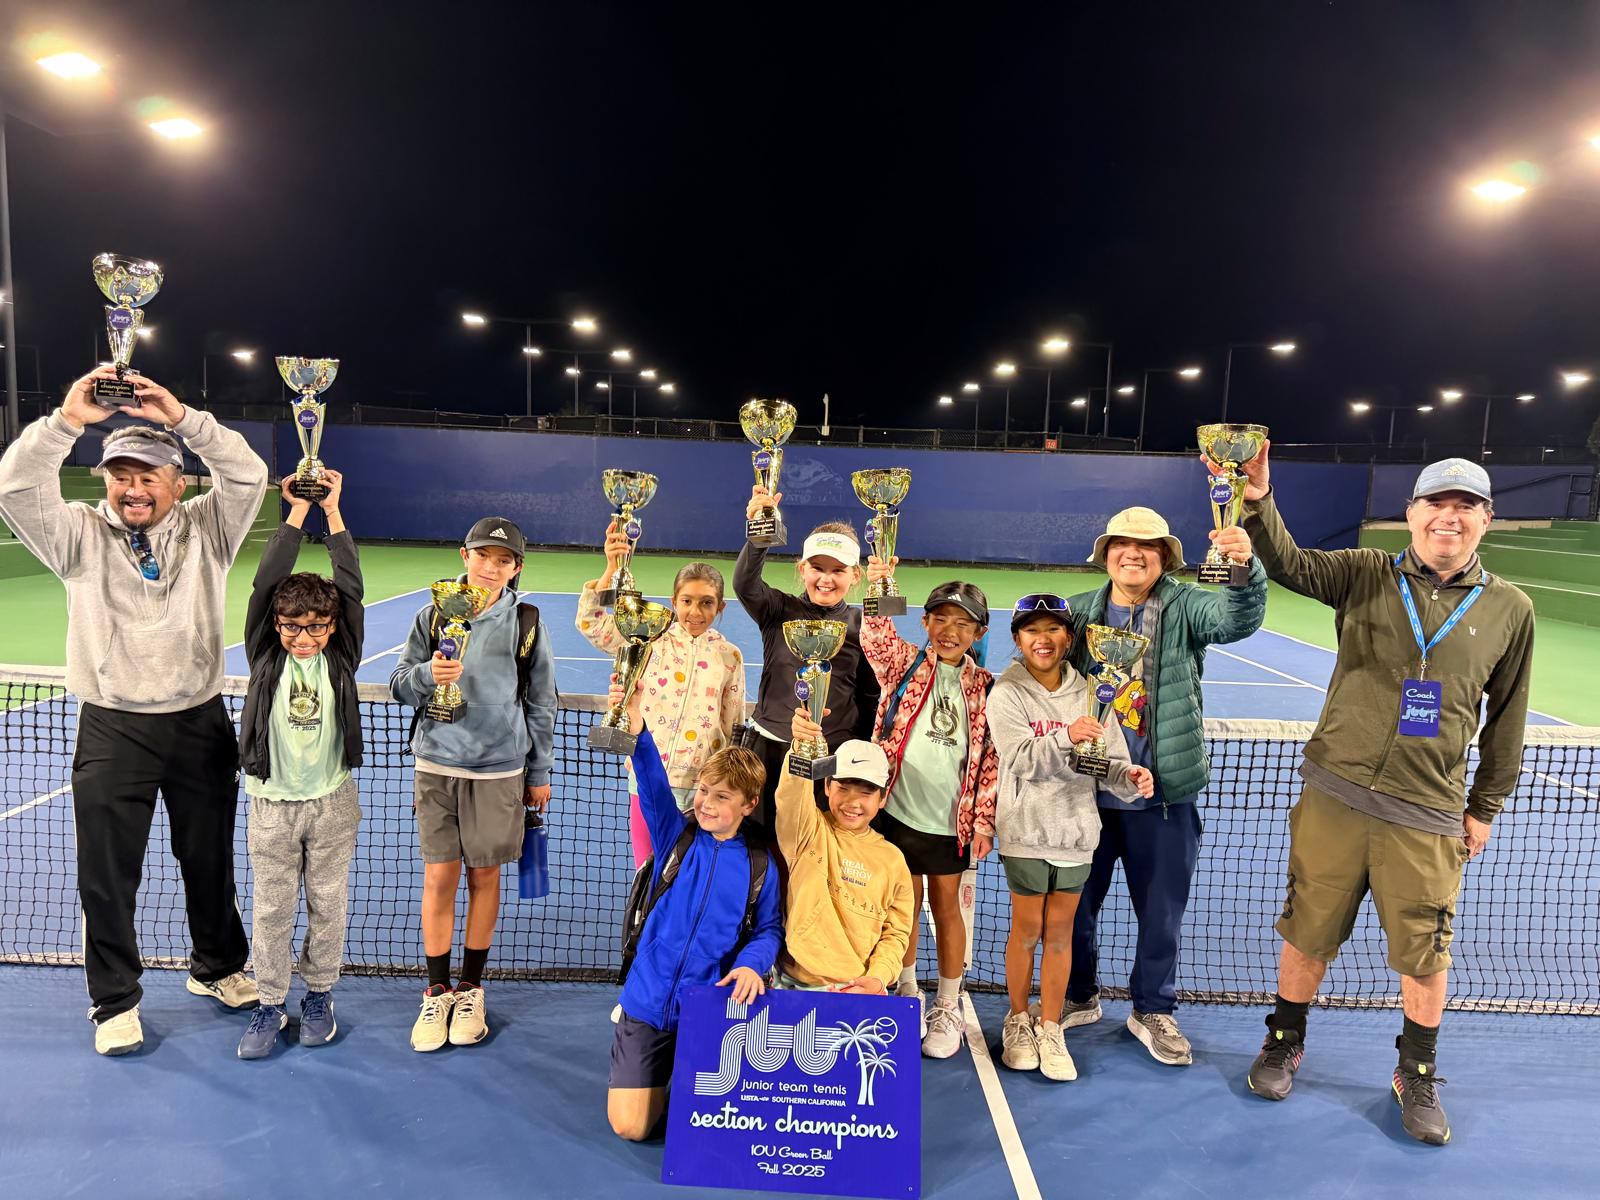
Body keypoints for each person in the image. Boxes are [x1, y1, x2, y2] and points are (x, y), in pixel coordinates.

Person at [1235, 450, 1533, 1147]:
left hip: (1427, 813)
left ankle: (1416, 1072)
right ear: (1412, 514)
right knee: (1308, 930)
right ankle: (1283, 1041)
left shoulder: (1510, 609)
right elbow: (1289, 563)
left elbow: (1508, 717)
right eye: (1437, 504)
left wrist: (1484, 806)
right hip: (1335, 794)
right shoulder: (1366, 572)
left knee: (1425, 953)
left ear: (1487, 520)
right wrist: (1258, 497)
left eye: (1465, 507)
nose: (1449, 517)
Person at [0, 366, 268, 1055]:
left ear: (179, 483)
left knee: (209, 859)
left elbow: (247, 475)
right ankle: (115, 1000)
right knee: (107, 873)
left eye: (149, 476)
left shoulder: (210, 527)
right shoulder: (77, 535)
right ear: (105, 483)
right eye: (121, 476)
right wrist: (67, 421)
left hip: (198, 721)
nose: (134, 488)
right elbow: (16, 487)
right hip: (113, 725)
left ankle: (219, 968)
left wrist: (184, 419)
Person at [1062, 507, 1266, 1067]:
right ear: (1106, 555)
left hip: (1163, 794)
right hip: (1086, 794)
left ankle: (1152, 1008)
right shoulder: (1078, 612)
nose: (1133, 553)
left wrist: (1244, 568)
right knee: (1075, 906)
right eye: (1122, 544)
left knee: (1161, 913)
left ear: (1165, 558)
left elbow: (1235, 618)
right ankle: (1078, 993)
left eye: (1147, 546)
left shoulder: (1186, 606)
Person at [390, 517, 556, 1052]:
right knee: (440, 878)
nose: (491, 567)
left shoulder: (526, 622)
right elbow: (400, 684)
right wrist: (427, 677)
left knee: (485, 878)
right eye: (483, 555)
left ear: (516, 568)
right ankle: (436, 991)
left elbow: (541, 702)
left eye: (503, 560)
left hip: (499, 770)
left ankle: (470, 989)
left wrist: (539, 772)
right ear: (465, 556)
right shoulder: (431, 614)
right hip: (437, 766)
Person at [985, 595, 1154, 1081]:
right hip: (1026, 830)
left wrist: (1129, 778)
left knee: (1061, 935)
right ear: (1018, 639)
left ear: (1070, 638)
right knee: (1026, 931)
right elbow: (1020, 759)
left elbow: (1108, 762)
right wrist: (1067, 736)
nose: (1043, 639)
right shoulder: (1007, 693)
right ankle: (1019, 1020)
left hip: (1076, 833)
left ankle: (1051, 1026)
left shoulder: (1094, 692)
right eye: (1031, 630)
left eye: (1053, 629)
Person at [607, 682, 781, 1141]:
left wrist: (751, 965)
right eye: (704, 790)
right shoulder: (675, 836)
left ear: (748, 804)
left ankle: (678, 1080)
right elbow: (652, 782)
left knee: (706, 1129)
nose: (705, 802)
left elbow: (768, 929)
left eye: (722, 796)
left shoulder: (760, 865)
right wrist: (638, 725)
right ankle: (650, 1070)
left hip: (707, 1009)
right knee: (631, 1127)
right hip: (647, 1000)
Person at [234, 472, 364, 1059]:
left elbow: (350, 586)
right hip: (271, 804)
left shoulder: (342, 656)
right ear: (276, 625)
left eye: (315, 626)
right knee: (272, 910)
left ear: (332, 627)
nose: (303, 636)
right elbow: (266, 584)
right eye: (292, 626)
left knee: (328, 905)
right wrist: (294, 515)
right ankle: (269, 1001)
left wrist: (332, 514)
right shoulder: (265, 654)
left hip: (333, 802)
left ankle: (319, 994)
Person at [860, 569, 998, 1057]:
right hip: (894, 813)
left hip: (948, 823)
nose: (949, 631)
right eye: (940, 619)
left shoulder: (987, 688)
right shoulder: (902, 664)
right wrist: (879, 585)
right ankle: (908, 991)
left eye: (963, 623)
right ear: (924, 622)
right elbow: (875, 635)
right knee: (904, 907)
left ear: (979, 633)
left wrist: (984, 821)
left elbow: (991, 760)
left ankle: (947, 1002)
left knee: (946, 908)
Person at [576, 520, 744, 866]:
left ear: (720, 607)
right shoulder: (648, 638)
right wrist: (610, 568)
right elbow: (591, 623)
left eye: (707, 603)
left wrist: (726, 783)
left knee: (690, 872)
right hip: (649, 778)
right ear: (673, 601)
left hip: (704, 790)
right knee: (648, 868)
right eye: (687, 601)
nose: (695, 612)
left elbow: (733, 722)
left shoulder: (730, 656)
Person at [734, 486, 881, 823]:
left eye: (838, 570)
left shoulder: (863, 625)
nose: (826, 579)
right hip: (768, 750)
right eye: (817, 568)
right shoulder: (777, 609)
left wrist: (857, 755)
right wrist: (759, 533)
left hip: (830, 759)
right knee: (762, 841)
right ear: (802, 569)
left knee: (815, 845)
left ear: (855, 576)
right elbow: (745, 584)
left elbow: (869, 697)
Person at [773, 707, 913, 993]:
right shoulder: (807, 831)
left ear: (882, 798)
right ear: (826, 786)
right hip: (790, 986)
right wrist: (801, 745)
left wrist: (877, 978)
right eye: (844, 788)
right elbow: (791, 795)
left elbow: (896, 934)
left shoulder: (893, 861)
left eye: (866, 792)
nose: (853, 802)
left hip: (856, 990)